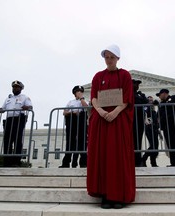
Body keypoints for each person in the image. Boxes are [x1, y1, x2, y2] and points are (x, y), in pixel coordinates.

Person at [87, 45, 135, 209]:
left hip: (117, 120)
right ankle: (105, 195)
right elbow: (93, 96)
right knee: (102, 156)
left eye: (112, 57)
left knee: (117, 156)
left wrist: (115, 112)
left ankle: (119, 196)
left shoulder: (125, 75)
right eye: (106, 57)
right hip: (101, 120)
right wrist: (100, 111)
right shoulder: (98, 76)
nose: (109, 59)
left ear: (117, 58)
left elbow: (127, 98)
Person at [0, 80, 32, 167]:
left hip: (19, 119)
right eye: (14, 87)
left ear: (21, 88)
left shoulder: (24, 97)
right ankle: (7, 162)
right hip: (9, 120)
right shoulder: (8, 98)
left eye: (17, 87)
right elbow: (3, 109)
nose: (15, 88)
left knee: (17, 140)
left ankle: (16, 162)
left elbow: (30, 107)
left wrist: (27, 107)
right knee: (7, 141)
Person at [59, 85, 88, 168]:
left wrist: (82, 98)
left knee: (82, 141)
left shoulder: (85, 101)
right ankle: (66, 163)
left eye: (81, 91)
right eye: (77, 91)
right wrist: (73, 113)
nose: (79, 93)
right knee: (70, 142)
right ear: (74, 93)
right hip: (71, 121)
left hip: (81, 121)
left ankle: (83, 163)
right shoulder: (70, 102)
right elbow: (64, 112)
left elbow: (86, 108)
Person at [132, 79, 149, 167]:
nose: (137, 86)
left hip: (139, 119)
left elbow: (146, 102)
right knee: (131, 140)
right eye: (135, 84)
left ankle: (138, 160)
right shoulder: (128, 94)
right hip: (131, 120)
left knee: (138, 139)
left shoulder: (140, 95)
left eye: (138, 84)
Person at [141, 96, 160, 167]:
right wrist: (149, 104)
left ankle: (153, 162)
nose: (151, 102)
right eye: (149, 100)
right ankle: (144, 158)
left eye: (152, 100)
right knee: (153, 146)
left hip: (155, 129)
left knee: (155, 147)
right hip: (149, 128)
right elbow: (145, 111)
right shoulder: (146, 107)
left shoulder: (154, 111)